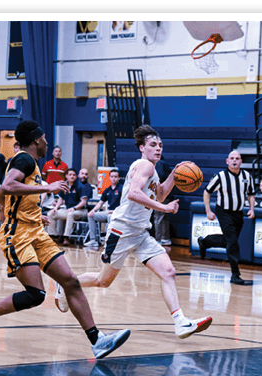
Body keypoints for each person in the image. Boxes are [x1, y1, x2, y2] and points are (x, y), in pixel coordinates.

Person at [0, 120, 130, 359]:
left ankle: (97, 341)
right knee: (36, 294)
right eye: (44, 138)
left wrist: (31, 213)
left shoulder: (32, 165)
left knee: (70, 281)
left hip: (34, 231)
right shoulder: (24, 159)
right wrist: (47, 190)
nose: (47, 142)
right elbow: (7, 186)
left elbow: (0, 195)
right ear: (35, 140)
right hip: (17, 235)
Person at [71, 125, 213, 339]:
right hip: (123, 230)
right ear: (141, 148)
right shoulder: (144, 166)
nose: (158, 148)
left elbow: (160, 195)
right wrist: (164, 209)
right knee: (103, 281)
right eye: (153, 145)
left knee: (168, 272)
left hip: (140, 233)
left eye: (160, 145)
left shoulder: (153, 170)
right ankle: (67, 285)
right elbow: (134, 194)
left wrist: (174, 176)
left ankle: (180, 322)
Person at [197, 150, 255, 285]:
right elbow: (207, 192)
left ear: (241, 161)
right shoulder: (220, 177)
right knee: (233, 241)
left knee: (228, 241)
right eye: (232, 158)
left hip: (238, 213)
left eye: (237, 158)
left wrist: (251, 209)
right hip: (224, 212)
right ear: (227, 161)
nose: (235, 160)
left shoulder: (247, 176)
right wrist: (208, 211)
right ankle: (235, 274)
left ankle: (205, 242)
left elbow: (251, 194)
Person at [47, 168, 89, 245]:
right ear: (66, 176)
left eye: (73, 175)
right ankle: (54, 236)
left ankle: (66, 237)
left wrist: (74, 208)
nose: (72, 176)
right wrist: (55, 208)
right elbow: (60, 199)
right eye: (70, 175)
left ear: (76, 177)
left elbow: (83, 202)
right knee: (51, 214)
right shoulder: (64, 185)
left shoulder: (81, 187)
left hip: (81, 211)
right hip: (68, 209)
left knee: (70, 214)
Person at [84, 169, 123, 247]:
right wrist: (93, 210)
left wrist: (115, 211)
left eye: (116, 176)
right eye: (112, 176)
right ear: (109, 178)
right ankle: (93, 240)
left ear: (119, 178)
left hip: (118, 213)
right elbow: (100, 203)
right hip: (109, 211)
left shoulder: (122, 188)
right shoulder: (107, 190)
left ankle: (108, 241)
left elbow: (125, 204)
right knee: (91, 216)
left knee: (109, 216)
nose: (114, 178)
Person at [153, 154, 173, 245]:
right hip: (168, 195)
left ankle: (158, 239)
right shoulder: (166, 164)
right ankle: (165, 238)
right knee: (164, 217)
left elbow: (159, 177)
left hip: (161, 194)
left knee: (158, 217)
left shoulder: (159, 164)